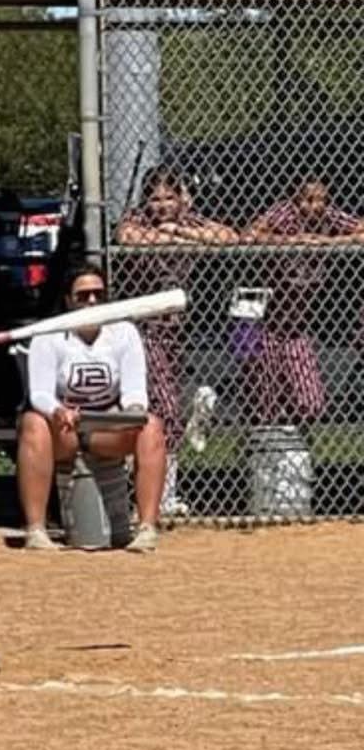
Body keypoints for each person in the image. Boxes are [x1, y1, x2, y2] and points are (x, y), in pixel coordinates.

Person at [17, 263, 167, 553]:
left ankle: (147, 528)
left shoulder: (124, 332)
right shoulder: (48, 335)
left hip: (106, 426)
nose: (92, 301)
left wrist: (131, 413)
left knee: (151, 425)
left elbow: (135, 391)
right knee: (33, 423)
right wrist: (58, 412)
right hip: (64, 428)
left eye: (99, 294)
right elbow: (40, 394)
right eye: (83, 296)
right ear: (68, 300)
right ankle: (36, 530)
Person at [115, 165, 237, 514]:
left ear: (183, 198)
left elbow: (229, 237)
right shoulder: (136, 219)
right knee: (165, 409)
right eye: (155, 198)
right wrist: (172, 236)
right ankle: (159, 498)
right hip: (141, 330)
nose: (163, 205)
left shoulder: (188, 221)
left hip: (176, 332)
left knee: (164, 407)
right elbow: (129, 238)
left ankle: (159, 493)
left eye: (170, 197)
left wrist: (180, 231)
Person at [244, 175, 364, 424]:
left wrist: (328, 242)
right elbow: (250, 234)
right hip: (255, 318)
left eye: (321, 200)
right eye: (307, 200)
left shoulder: (328, 217)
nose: (315, 206)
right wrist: (291, 241)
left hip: (295, 326)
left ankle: (292, 440)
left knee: (311, 404)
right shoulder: (284, 213)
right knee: (264, 403)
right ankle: (265, 442)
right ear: (296, 200)